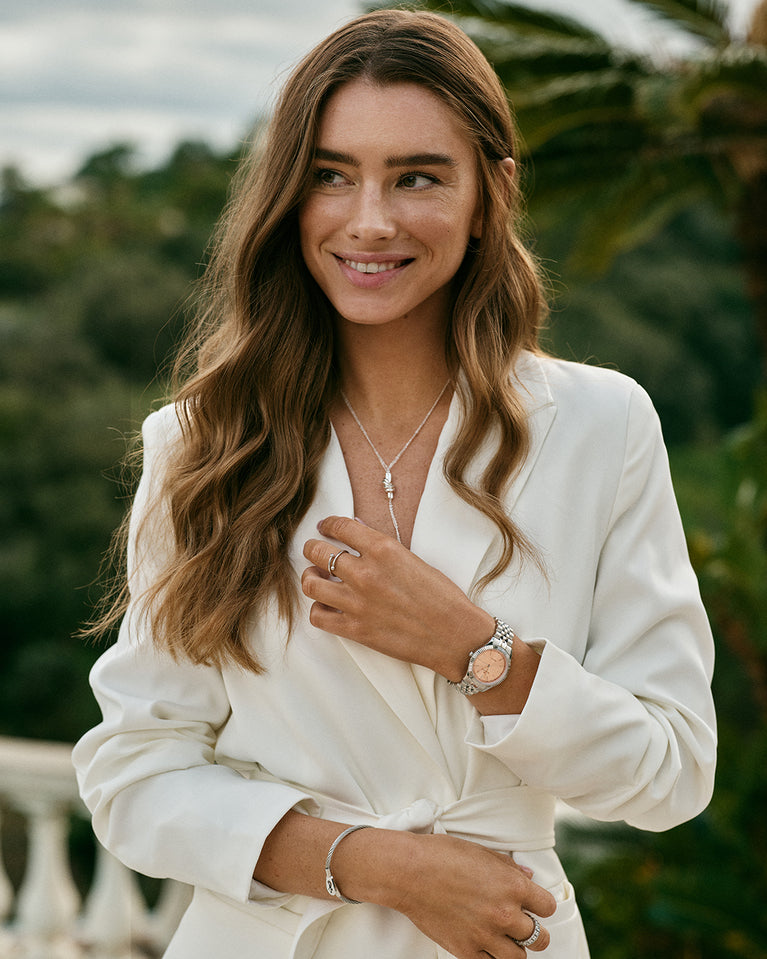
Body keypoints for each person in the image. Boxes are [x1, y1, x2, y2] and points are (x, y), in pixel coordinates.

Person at [72, 9, 717, 958]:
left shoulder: (601, 425)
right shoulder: (201, 443)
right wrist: (382, 864)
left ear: (492, 190)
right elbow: (133, 775)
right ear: (288, 196)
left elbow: (671, 774)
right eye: (330, 175)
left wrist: (473, 649)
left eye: (417, 176)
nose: (367, 220)